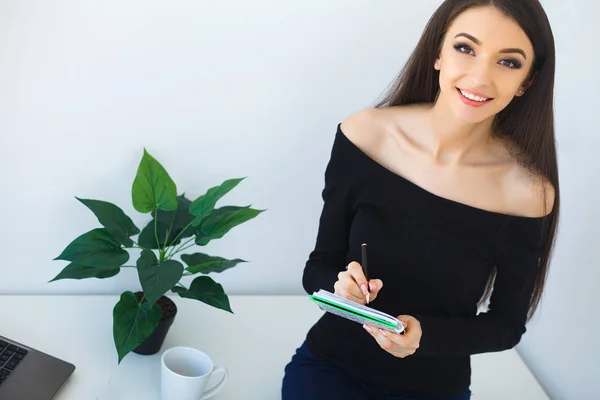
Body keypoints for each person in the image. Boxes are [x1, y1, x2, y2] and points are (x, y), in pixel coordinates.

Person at [281, 0, 560, 399]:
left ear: (527, 82)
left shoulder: (528, 193)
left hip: (434, 389)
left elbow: (506, 326)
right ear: (437, 53)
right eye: (466, 48)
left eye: (508, 62)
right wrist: (340, 290)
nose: (480, 77)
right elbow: (318, 269)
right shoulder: (365, 135)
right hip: (332, 368)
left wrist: (423, 336)